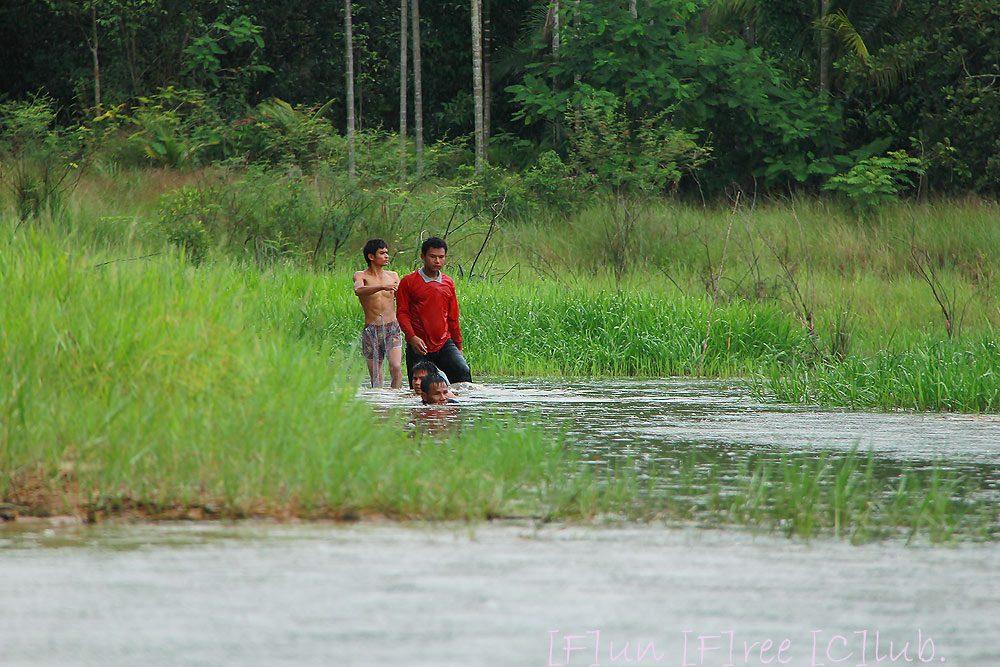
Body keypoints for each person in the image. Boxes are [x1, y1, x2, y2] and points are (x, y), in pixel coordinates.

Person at [396, 236, 472, 388]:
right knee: (419, 387)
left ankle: (454, 410)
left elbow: (453, 317)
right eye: (432, 257)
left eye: (441, 257)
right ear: (422, 257)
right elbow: (402, 313)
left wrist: (458, 347)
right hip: (419, 344)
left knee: (463, 373)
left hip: (445, 342)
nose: (437, 261)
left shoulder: (448, 283)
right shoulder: (408, 282)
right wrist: (411, 337)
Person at [353, 239, 402, 388]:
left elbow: (402, 299)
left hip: (392, 328)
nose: (386, 256)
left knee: (396, 367)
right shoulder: (361, 275)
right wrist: (381, 287)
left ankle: (395, 401)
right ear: (371, 256)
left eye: (387, 252)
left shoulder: (393, 276)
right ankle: (379, 408)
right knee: (376, 377)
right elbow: (358, 290)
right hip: (371, 330)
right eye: (382, 253)